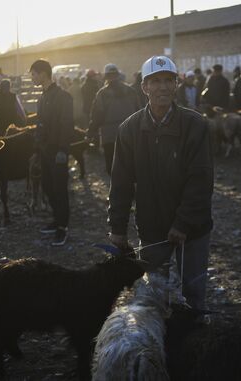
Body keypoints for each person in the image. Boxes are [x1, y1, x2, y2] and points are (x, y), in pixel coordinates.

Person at [108, 55, 213, 315]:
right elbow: (121, 181)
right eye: (155, 81)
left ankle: (193, 339)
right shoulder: (129, 129)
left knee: (193, 291)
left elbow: (200, 180)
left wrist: (183, 223)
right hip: (152, 225)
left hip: (193, 229)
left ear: (176, 84)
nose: (162, 87)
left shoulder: (194, 125)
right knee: (152, 293)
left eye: (168, 80)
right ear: (144, 87)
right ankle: (156, 346)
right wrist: (117, 227)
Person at [30, 59, 74, 246]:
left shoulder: (63, 97)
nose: (32, 78)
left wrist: (63, 150)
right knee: (47, 186)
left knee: (60, 189)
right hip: (45, 150)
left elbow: (66, 125)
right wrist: (37, 149)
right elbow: (41, 125)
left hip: (58, 151)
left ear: (42, 74)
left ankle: (62, 228)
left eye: (33, 74)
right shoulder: (42, 96)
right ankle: (57, 220)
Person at [88, 63, 140, 175]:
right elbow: (139, 112)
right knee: (129, 167)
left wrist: (91, 131)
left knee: (112, 168)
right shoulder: (131, 91)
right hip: (129, 134)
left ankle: (118, 190)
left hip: (110, 136)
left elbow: (97, 115)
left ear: (105, 77)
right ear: (118, 75)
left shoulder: (102, 94)